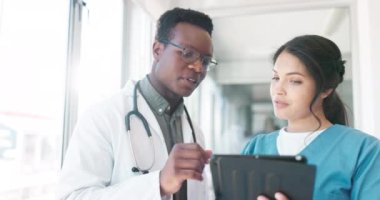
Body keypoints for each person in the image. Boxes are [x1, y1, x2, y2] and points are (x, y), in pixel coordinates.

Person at [58, 7, 217, 200]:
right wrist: (158, 184)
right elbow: (72, 197)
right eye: (187, 53)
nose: (198, 67)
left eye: (206, 61)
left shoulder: (194, 132)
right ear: (157, 50)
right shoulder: (103, 117)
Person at [242, 35, 380, 200]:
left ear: (326, 89)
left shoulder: (364, 151)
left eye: (294, 81)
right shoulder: (256, 147)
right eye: (276, 78)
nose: (278, 90)